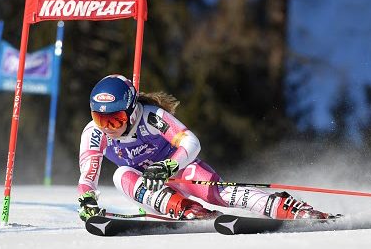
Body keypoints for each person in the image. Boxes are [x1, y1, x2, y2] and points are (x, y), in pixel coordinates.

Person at [77, 74, 335, 221]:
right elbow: (89, 170)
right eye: (100, 118)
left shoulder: (151, 117)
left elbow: (191, 142)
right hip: (152, 190)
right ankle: (187, 210)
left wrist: (168, 167)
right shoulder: (94, 133)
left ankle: (290, 208)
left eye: (116, 119)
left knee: (220, 194)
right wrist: (87, 198)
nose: (108, 126)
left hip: (179, 171)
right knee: (120, 174)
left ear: (132, 111)